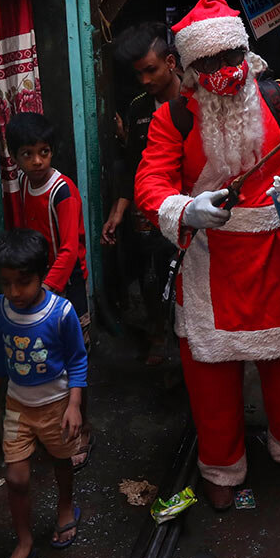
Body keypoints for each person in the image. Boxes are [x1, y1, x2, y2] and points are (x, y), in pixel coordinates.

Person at [134, 0, 280, 511]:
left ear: (246, 52)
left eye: (231, 58)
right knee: (211, 374)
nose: (224, 71)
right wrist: (184, 208)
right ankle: (221, 463)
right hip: (209, 260)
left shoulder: (279, 99)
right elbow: (151, 182)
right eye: (210, 63)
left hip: (276, 253)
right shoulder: (172, 118)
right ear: (190, 67)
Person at [0, 229, 88, 558]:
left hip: (57, 406)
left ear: (41, 275)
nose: (14, 292)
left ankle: (66, 506)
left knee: (61, 461)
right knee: (16, 478)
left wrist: (74, 405)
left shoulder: (61, 313)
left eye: (23, 283)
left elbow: (77, 360)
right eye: (6, 283)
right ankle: (25, 542)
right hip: (18, 407)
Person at [4, 111, 92, 467]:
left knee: (76, 357)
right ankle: (53, 427)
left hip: (66, 285)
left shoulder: (62, 191)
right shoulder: (25, 186)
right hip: (41, 286)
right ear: (15, 157)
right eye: (28, 154)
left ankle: (82, 431)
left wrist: (48, 293)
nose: (37, 160)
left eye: (44, 151)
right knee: (48, 356)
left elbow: (69, 248)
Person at [101, 24, 182, 366]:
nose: (146, 80)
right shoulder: (137, 108)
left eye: (151, 70)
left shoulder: (195, 101)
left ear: (171, 63)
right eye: (139, 74)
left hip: (192, 208)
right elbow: (133, 164)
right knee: (152, 275)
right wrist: (118, 212)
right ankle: (159, 338)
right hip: (151, 212)